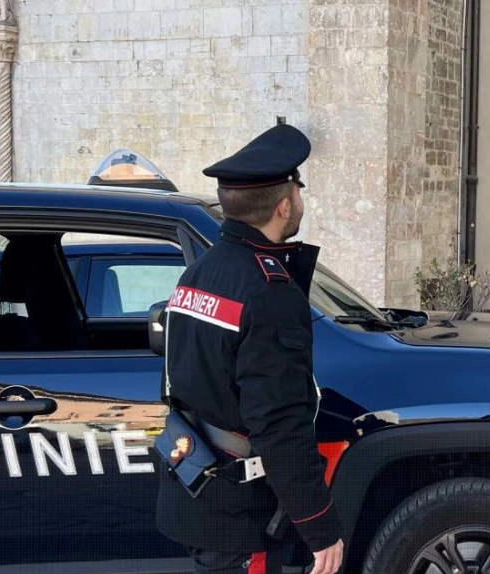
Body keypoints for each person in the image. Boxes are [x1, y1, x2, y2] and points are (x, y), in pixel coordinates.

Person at [155, 123, 344, 574]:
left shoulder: (199, 273)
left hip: (199, 490)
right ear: (284, 205)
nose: (300, 199)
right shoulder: (268, 293)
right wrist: (320, 527)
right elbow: (279, 423)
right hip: (242, 514)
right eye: (298, 189)